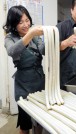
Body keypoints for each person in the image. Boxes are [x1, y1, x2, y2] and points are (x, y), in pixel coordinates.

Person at [3, 5, 45, 134]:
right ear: (13, 24)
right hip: (23, 85)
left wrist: (54, 40)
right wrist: (31, 33)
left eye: (27, 20)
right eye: (21, 22)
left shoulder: (36, 37)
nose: (26, 24)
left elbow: (43, 49)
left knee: (39, 120)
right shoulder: (10, 38)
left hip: (39, 81)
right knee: (25, 123)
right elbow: (12, 51)